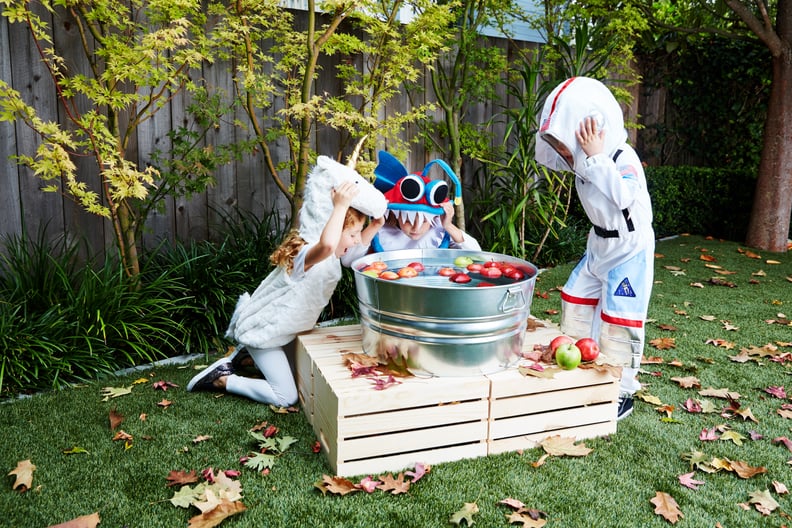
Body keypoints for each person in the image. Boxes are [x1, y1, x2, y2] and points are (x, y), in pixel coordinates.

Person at [187, 156, 386, 406]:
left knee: (301, 377)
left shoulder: (333, 256)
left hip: (287, 331)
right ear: (330, 225)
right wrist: (339, 207)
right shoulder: (309, 253)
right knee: (287, 395)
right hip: (266, 332)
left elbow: (348, 254)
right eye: (353, 234)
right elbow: (327, 244)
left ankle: (245, 357)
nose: (357, 240)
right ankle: (222, 378)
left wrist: (375, 226)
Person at [534, 77, 655, 420]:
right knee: (575, 298)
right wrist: (588, 159)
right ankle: (578, 365)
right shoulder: (584, 164)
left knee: (620, 321)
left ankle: (622, 390)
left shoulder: (620, 157)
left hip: (629, 248)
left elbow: (623, 196)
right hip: (599, 244)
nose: (562, 150)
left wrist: (597, 157)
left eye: (565, 140)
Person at [341, 151, 480, 266]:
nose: (416, 229)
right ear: (396, 215)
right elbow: (348, 261)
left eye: (423, 222)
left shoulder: (438, 229)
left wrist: (448, 226)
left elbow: (477, 254)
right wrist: (375, 225)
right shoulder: (380, 228)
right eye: (409, 221)